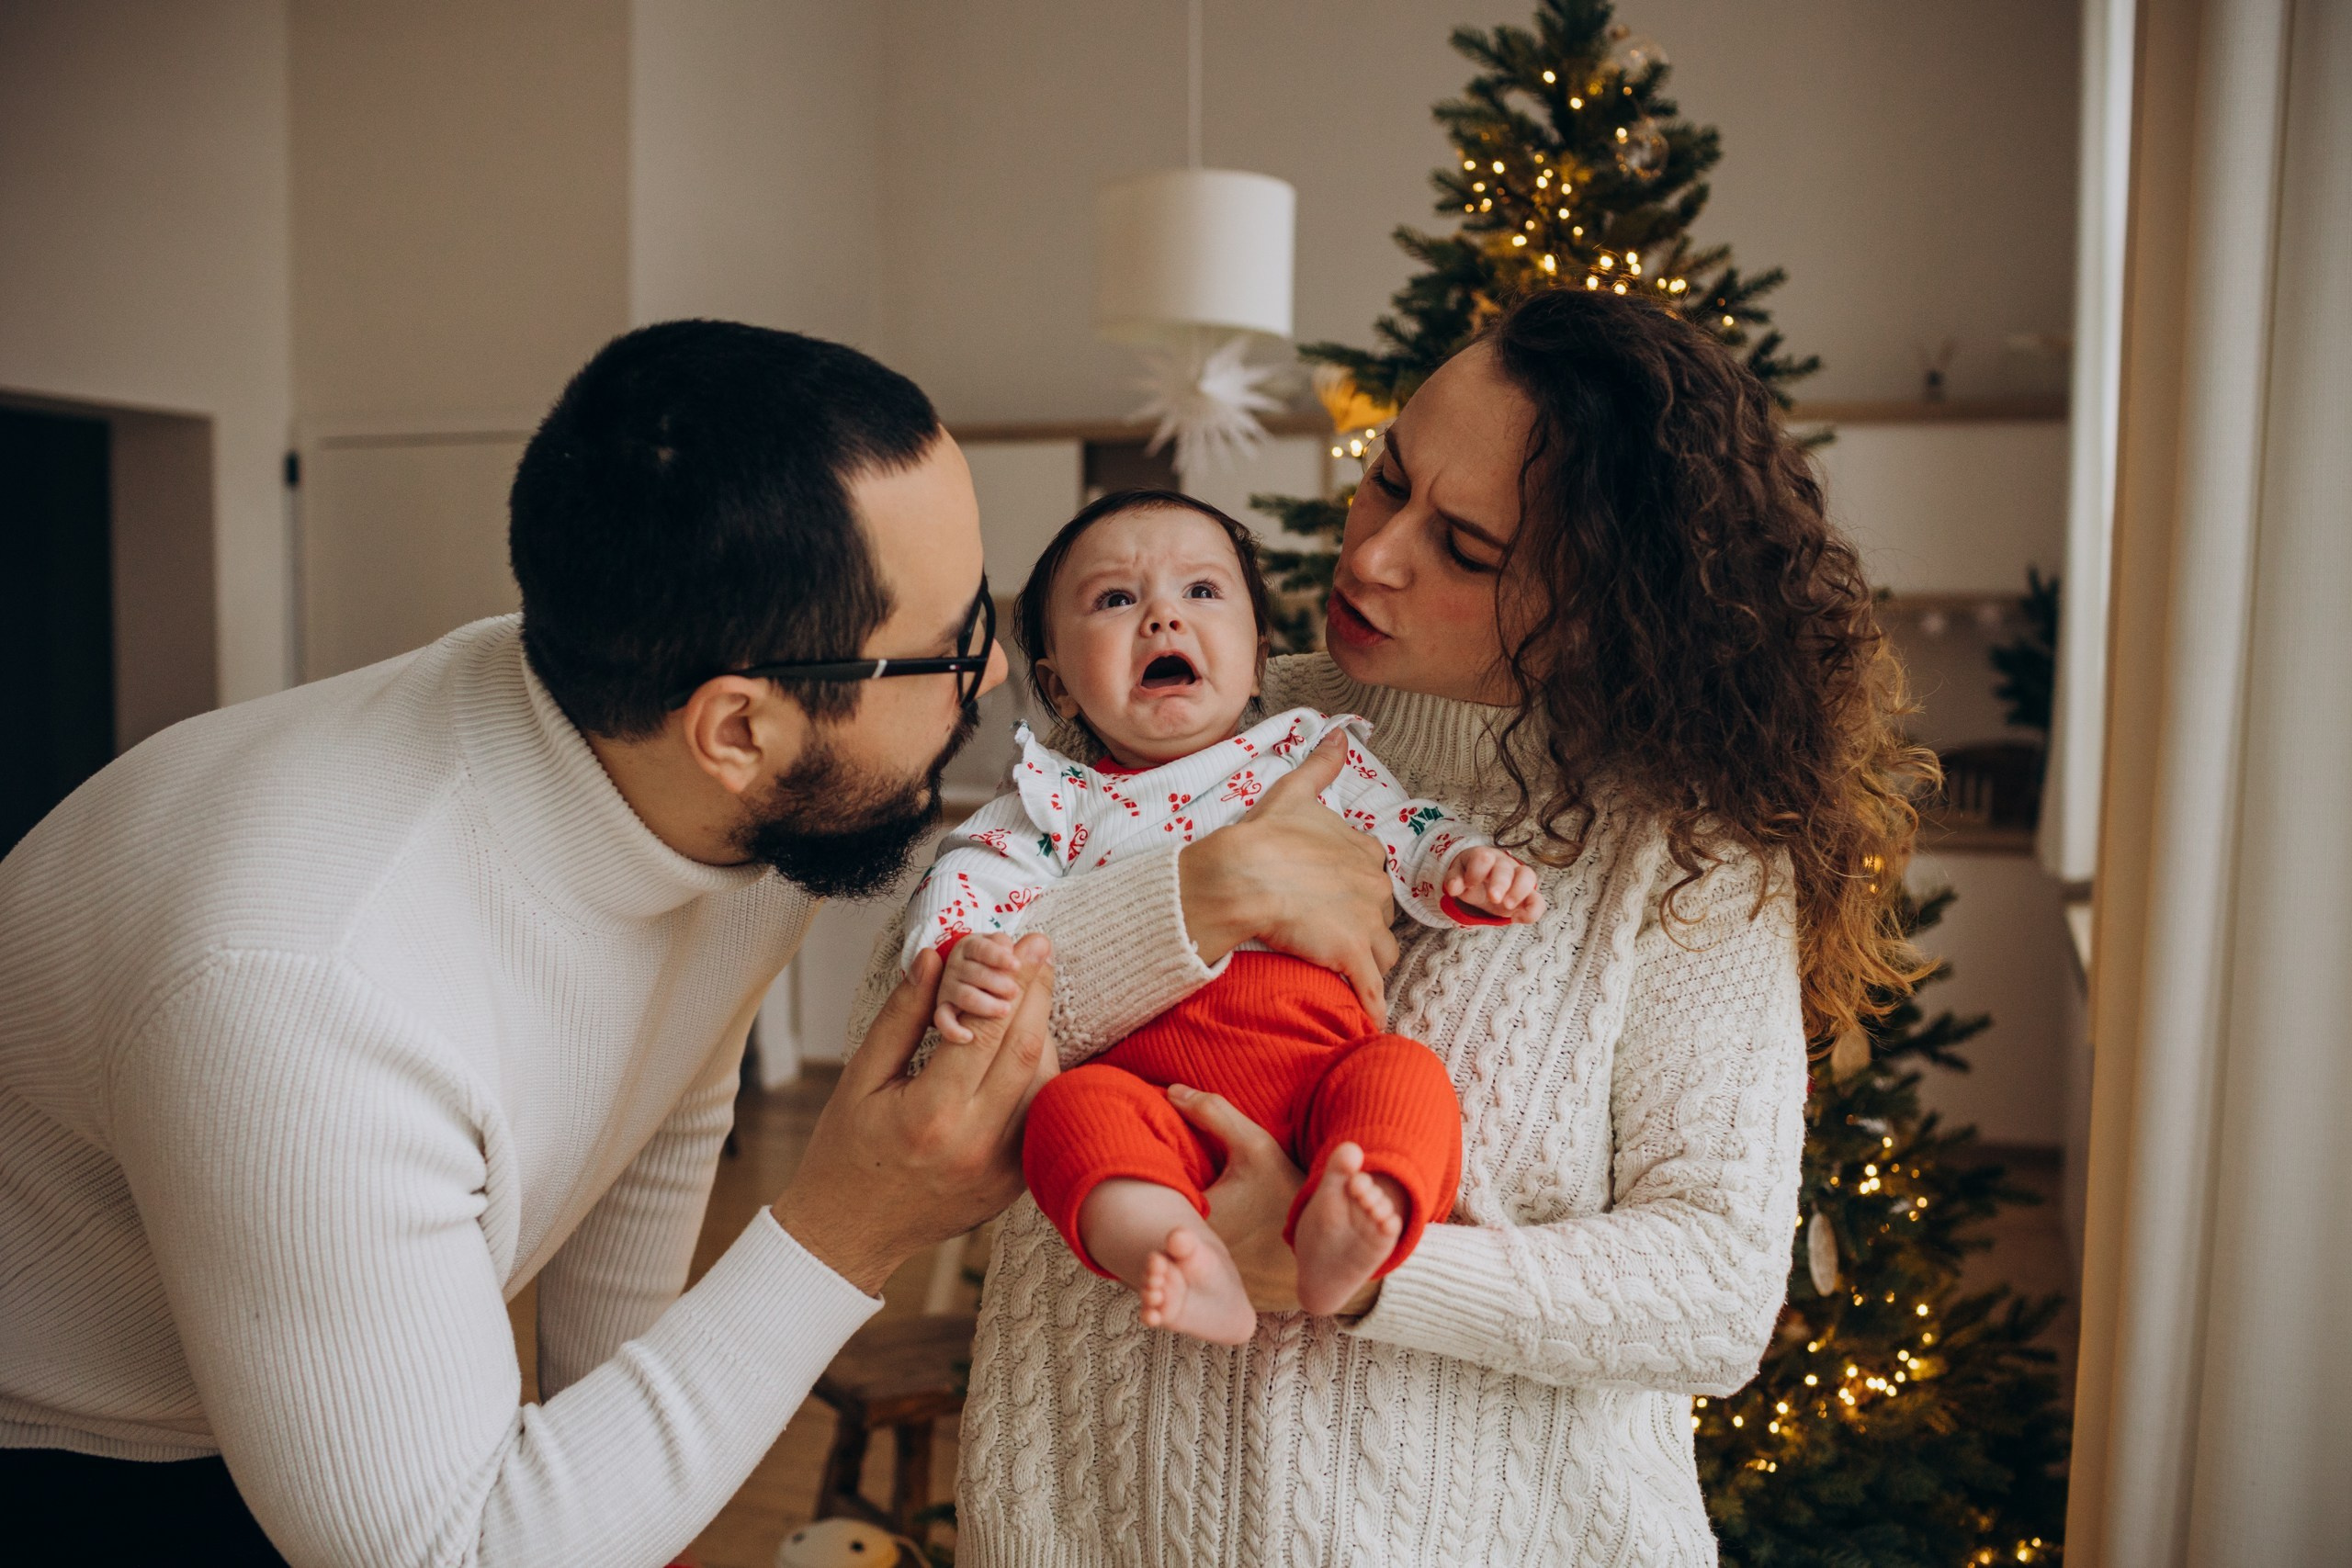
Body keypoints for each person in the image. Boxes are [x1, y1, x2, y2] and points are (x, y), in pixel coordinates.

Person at [0, 321, 1402, 1566]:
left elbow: (662, 1099)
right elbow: (443, 1546)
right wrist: (847, 1222)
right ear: (741, 726)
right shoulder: (304, 985)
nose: (990, 680)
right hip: (82, 1456)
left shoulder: (707, 765)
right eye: (951, 645)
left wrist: (631, 1497)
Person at [851, 288, 1933, 1564]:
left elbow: (1712, 1290)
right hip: (1094, 1525)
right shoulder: (1212, 708)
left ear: (1602, 602)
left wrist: (1355, 1273)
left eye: (1464, 548)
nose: (1368, 554)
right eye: (1385, 478)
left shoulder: (1687, 847)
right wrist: (1202, 893)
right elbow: (908, 1026)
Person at [905, 491, 1544, 1344]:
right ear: (1058, 681)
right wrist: (963, 954)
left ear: (1257, 655)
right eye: (1116, 599)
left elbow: (1407, 830)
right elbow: (966, 878)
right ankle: (1175, 1250)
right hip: (1149, 1098)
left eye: (1202, 591)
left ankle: (1357, 1215)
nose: (1163, 614)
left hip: (1325, 1071)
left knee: (1405, 1078)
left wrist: (1464, 868)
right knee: (1068, 1117)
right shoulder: (1057, 797)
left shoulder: (1312, 752)